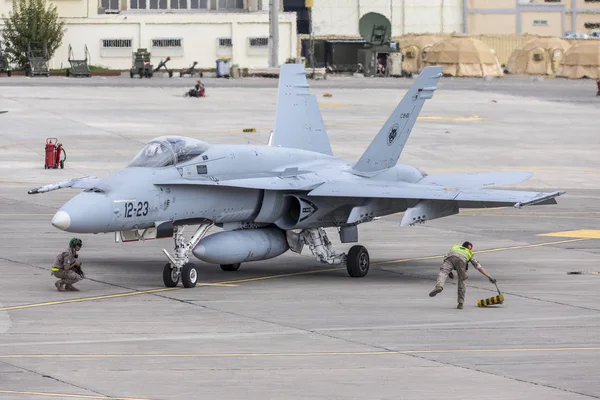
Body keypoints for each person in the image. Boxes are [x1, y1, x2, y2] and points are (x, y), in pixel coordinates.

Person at [428, 241, 496, 309]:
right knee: (462, 281)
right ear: (469, 248)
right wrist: (489, 276)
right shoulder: (469, 252)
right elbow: (478, 266)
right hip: (461, 260)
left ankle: (439, 286)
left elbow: (445, 258)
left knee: (443, 272)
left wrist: (449, 272)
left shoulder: (455, 247)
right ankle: (460, 303)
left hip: (451, 257)